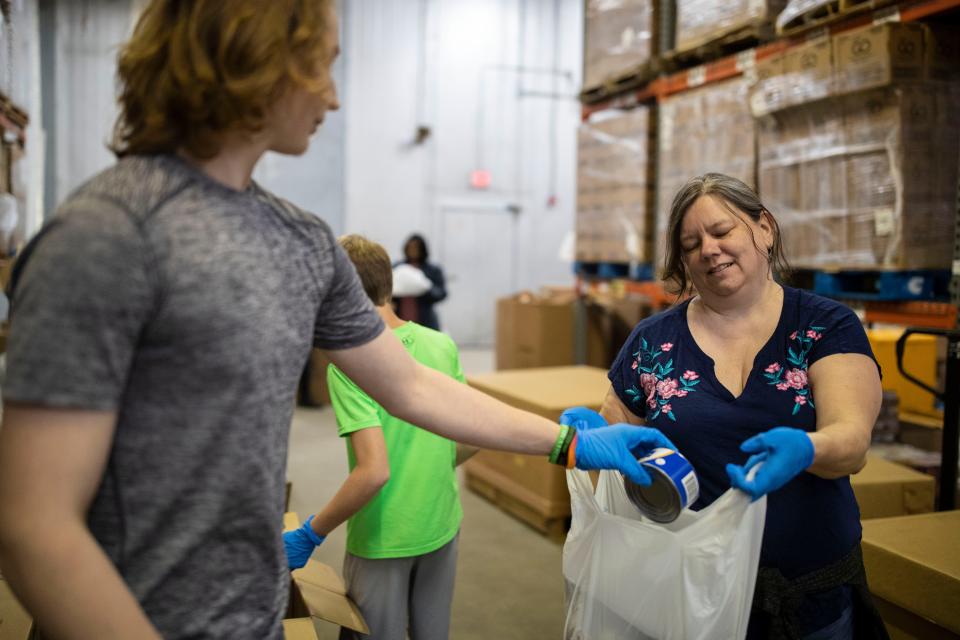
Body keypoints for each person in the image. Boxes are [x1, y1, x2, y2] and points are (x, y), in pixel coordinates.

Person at [0, 2, 674, 638]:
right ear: (252, 57)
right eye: (321, 63)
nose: (334, 94)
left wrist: (567, 444)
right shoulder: (104, 238)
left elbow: (410, 386)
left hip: (253, 615)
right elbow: (33, 524)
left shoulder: (301, 242)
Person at [585, 173, 888, 639]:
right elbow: (616, 438)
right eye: (691, 244)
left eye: (722, 231)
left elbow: (851, 443)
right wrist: (590, 439)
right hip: (687, 596)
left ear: (763, 228)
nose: (709, 249)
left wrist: (810, 449)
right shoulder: (652, 342)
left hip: (810, 598)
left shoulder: (826, 327)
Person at [284, 234, 476, 640]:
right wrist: (429, 462)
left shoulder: (351, 364)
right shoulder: (440, 344)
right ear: (389, 285)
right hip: (442, 522)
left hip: (385, 536)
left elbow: (373, 473)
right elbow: (473, 434)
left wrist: (311, 532)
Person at [392, 233, 446, 330]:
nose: (413, 250)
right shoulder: (397, 268)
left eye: (416, 247)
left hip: (424, 321)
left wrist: (425, 288)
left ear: (422, 249)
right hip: (401, 317)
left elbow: (441, 293)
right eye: (410, 247)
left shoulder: (433, 269)